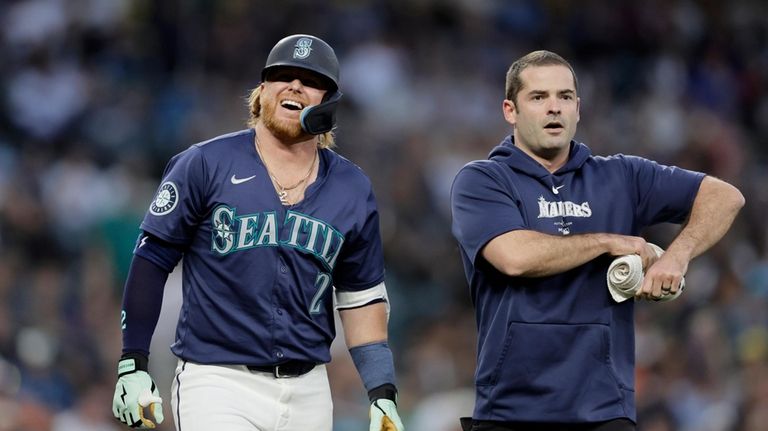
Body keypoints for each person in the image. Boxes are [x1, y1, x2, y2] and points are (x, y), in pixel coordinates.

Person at [111, 34, 404, 431]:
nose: (295, 85)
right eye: (282, 75)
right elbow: (151, 259)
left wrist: (381, 392)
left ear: (329, 103)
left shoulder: (352, 188)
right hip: (217, 381)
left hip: (309, 390)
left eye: (310, 80)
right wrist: (134, 361)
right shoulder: (204, 163)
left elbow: (360, 298)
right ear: (262, 91)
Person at [450, 50, 744, 431]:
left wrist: (677, 256)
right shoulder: (483, 180)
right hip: (510, 409)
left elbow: (724, 197)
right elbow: (513, 256)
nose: (554, 108)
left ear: (578, 109)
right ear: (510, 110)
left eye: (565, 97)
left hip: (605, 410)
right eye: (538, 98)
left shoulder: (620, 176)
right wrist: (607, 242)